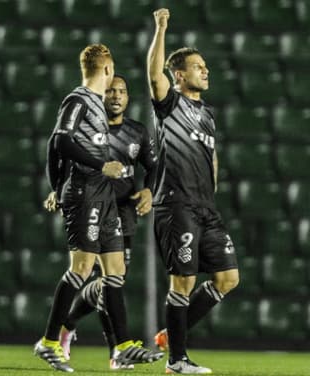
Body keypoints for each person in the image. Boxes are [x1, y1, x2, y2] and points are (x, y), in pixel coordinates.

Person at [34, 44, 163, 373]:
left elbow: (56, 146)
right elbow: (59, 141)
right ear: (107, 69)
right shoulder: (78, 99)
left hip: (104, 196)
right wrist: (74, 178)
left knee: (115, 271)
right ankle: (49, 340)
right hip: (86, 191)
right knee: (81, 268)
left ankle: (121, 348)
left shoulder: (94, 104)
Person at [146, 8, 240, 374]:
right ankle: (176, 361)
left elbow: (211, 157)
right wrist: (161, 28)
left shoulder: (207, 115)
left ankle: (172, 334)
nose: (206, 70)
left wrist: (212, 191)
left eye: (206, 66)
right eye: (199, 66)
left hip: (205, 207)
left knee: (228, 279)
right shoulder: (171, 105)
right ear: (180, 74)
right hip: (176, 204)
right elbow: (155, 74)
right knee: (182, 281)